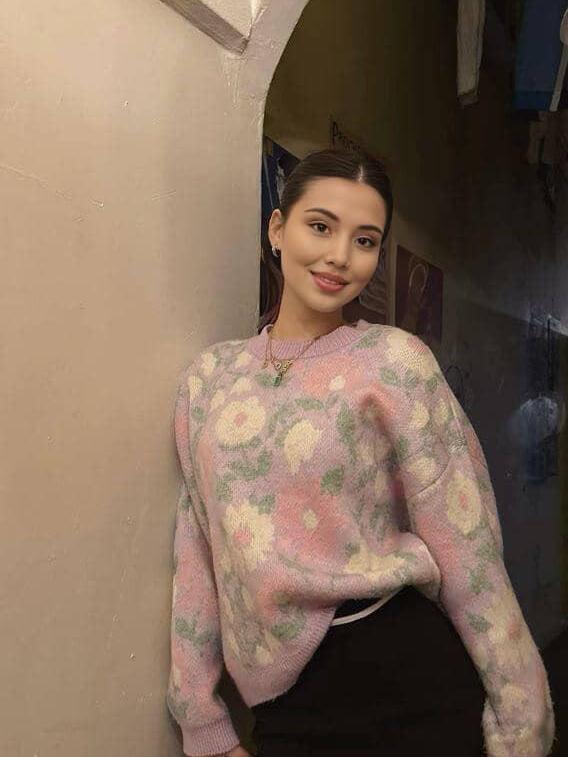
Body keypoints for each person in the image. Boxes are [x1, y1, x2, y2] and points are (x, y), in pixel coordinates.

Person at [166, 148, 556, 757]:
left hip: (404, 678)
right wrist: (201, 720)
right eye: (320, 226)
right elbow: (198, 547)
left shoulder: (396, 363)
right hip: (283, 706)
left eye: (365, 240)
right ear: (277, 228)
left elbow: (469, 547)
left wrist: (521, 718)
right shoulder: (208, 380)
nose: (340, 256)